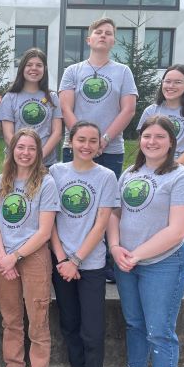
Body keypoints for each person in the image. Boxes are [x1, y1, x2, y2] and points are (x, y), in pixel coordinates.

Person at [101, 115, 184, 367]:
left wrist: (137, 254)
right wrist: (116, 247)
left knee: (159, 330)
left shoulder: (183, 177)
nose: (152, 142)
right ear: (140, 140)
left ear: (171, 142)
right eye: (147, 136)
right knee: (134, 323)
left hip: (163, 263)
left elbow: (177, 231)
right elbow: (115, 213)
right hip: (127, 261)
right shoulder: (131, 172)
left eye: (160, 137)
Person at [59, 17, 138, 283]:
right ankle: (65, 257)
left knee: (108, 206)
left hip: (111, 148)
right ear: (89, 39)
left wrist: (104, 138)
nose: (103, 36)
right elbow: (66, 108)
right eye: (98, 32)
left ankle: (104, 263)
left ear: (114, 41)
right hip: (75, 148)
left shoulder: (123, 72)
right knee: (74, 202)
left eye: (109, 33)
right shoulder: (73, 71)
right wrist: (83, 139)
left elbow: (128, 109)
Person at [0, 128, 60, 367]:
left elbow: (44, 231)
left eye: (31, 148)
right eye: (20, 147)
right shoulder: (0, 181)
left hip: (32, 259)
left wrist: (15, 256)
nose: (25, 152)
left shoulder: (46, 183)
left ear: (38, 152)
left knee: (38, 323)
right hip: (6, 259)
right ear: (12, 150)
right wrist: (4, 256)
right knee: (11, 320)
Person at [49, 121, 119, 367]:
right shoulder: (55, 172)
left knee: (92, 327)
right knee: (69, 323)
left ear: (99, 146)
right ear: (70, 141)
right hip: (61, 261)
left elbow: (102, 221)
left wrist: (77, 259)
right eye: (81, 140)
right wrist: (63, 259)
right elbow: (49, 220)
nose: (86, 146)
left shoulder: (106, 176)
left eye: (93, 141)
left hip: (90, 264)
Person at [137, 64, 184, 295]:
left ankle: (180, 273)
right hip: (152, 172)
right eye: (167, 81)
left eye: (178, 82)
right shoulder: (151, 110)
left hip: (181, 172)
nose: (171, 86)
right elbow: (145, 140)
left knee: (178, 226)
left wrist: (172, 167)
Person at [0, 48, 62, 167]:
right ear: (22, 68)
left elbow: (57, 132)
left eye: (39, 65)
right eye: (29, 65)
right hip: (17, 164)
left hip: (45, 164)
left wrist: (39, 157)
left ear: (44, 69)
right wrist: (23, 156)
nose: (34, 68)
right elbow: (8, 135)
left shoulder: (52, 98)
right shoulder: (10, 97)